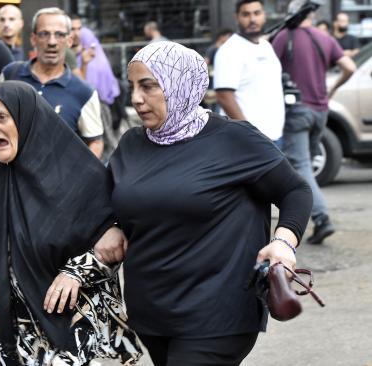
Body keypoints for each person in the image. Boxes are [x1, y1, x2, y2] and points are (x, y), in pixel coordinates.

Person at [110, 41, 313, 365]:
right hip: (152, 314)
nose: (135, 99)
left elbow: (296, 191)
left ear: (182, 84)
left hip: (219, 313)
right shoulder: (131, 144)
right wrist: (110, 227)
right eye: (132, 86)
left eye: (148, 86)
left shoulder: (235, 139)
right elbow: (109, 200)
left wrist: (284, 242)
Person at [0, 81, 142, 365]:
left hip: (69, 323)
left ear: (25, 118)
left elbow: (115, 242)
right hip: (16, 329)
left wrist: (76, 272)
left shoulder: (79, 174)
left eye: (1, 117)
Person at [272, 0, 356, 244]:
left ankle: (321, 218)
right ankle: (304, 212)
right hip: (321, 110)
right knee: (303, 166)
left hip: (297, 111)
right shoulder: (325, 37)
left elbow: (267, 68)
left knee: (302, 167)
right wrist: (331, 89)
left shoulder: (283, 37)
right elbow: (349, 67)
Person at [0, 8, 104, 159]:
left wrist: (78, 178)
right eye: (44, 34)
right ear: (33, 39)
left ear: (69, 40)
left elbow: (95, 142)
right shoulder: (10, 75)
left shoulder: (84, 92)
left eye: (60, 35)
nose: (52, 42)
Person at [214, 0, 285, 143]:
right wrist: (250, 135)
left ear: (264, 15)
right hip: (250, 141)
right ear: (237, 17)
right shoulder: (230, 50)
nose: (252, 19)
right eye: (246, 14)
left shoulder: (266, 46)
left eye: (257, 13)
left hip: (274, 135)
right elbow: (223, 96)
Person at [77, 27, 122, 161]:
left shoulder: (87, 61)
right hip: (107, 105)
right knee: (108, 139)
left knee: (99, 140)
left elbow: (84, 86)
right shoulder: (100, 56)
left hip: (95, 107)